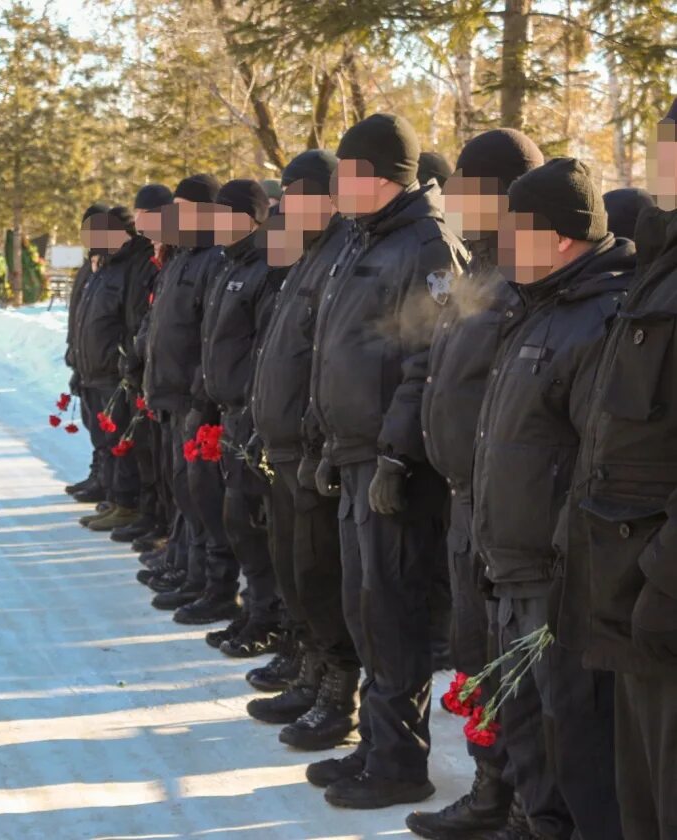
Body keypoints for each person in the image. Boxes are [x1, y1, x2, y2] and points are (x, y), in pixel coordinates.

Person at [304, 113, 467, 809]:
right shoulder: (362, 240)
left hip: (391, 467)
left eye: (345, 173)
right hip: (353, 456)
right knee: (364, 607)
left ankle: (401, 760)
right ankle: (376, 741)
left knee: (393, 611)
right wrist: (324, 438)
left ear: (376, 178)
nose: (337, 185)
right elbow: (335, 349)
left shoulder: (426, 245)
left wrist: (398, 455)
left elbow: (430, 360)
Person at [472, 158, 629, 840]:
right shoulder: (536, 307)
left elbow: (602, 463)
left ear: (560, 237)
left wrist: (566, 565)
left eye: (516, 228)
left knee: (578, 743)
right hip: (513, 564)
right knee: (527, 727)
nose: (502, 242)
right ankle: (537, 824)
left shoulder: (599, 320)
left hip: (561, 579)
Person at [405, 128, 544, 840]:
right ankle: (492, 792)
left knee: (515, 669)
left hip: (512, 512)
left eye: (466, 183)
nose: (453, 196)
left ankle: (523, 806)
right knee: (473, 653)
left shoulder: (530, 279)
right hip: (464, 499)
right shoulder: (479, 270)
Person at [559, 98, 677, 839]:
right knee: (642, 806)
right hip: (629, 590)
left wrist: (664, 582)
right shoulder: (659, 267)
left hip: (662, 592)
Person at [248, 150, 362, 748]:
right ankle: (310, 667)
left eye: (297, 194)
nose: (286, 206)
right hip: (285, 443)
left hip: (316, 448)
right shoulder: (307, 253)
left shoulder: (343, 253)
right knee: (296, 570)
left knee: (320, 576)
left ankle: (338, 693)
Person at [188, 179, 284, 634]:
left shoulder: (266, 268)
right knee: (232, 518)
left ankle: (266, 613)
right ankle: (249, 606)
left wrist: (251, 413)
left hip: (251, 416)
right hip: (225, 412)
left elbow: (265, 350)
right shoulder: (229, 264)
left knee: (252, 523)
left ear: (251, 219)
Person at [142, 175, 225, 609]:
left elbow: (208, 337)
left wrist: (199, 396)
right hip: (170, 395)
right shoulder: (180, 257)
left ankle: (208, 581)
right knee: (181, 488)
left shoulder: (213, 258)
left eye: (184, 206)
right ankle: (186, 566)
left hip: (195, 399)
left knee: (201, 496)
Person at [73, 206, 154, 532]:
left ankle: (125, 502)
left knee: (122, 441)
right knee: (105, 439)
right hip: (93, 368)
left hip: (113, 370)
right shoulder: (99, 268)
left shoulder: (126, 269)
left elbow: (129, 320)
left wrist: (125, 357)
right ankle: (112, 497)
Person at [113, 185, 173, 547]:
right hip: (145, 369)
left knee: (163, 463)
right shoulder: (145, 257)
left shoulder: (176, 257)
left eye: (146, 214)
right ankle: (153, 518)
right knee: (150, 458)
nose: (139, 221)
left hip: (170, 380)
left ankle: (162, 524)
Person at [64, 202, 112, 503]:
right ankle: (98, 473)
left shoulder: (109, 268)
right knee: (93, 426)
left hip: (105, 365)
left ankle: (108, 481)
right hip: (85, 361)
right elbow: (77, 315)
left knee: (108, 431)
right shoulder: (87, 269)